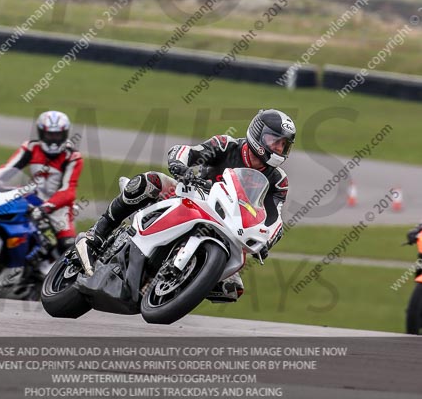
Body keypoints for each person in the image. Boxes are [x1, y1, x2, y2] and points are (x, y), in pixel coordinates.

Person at [78, 108, 295, 302]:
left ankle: (189, 278)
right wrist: (180, 165)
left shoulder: (278, 180)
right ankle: (96, 234)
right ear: (258, 133)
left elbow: (275, 220)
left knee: (231, 288)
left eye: (283, 144)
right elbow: (187, 151)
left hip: (230, 226)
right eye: (274, 140)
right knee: (149, 182)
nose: (277, 147)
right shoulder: (226, 145)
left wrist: (266, 239)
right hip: (192, 195)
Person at [2, 110, 83, 252]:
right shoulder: (31, 148)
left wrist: (47, 207)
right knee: (2, 219)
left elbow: (68, 191)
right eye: (49, 134)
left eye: (57, 135)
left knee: (69, 249)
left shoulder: (72, 157)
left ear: (64, 134)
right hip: (31, 198)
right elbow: (6, 170)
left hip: (59, 208)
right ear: (41, 133)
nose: (53, 139)